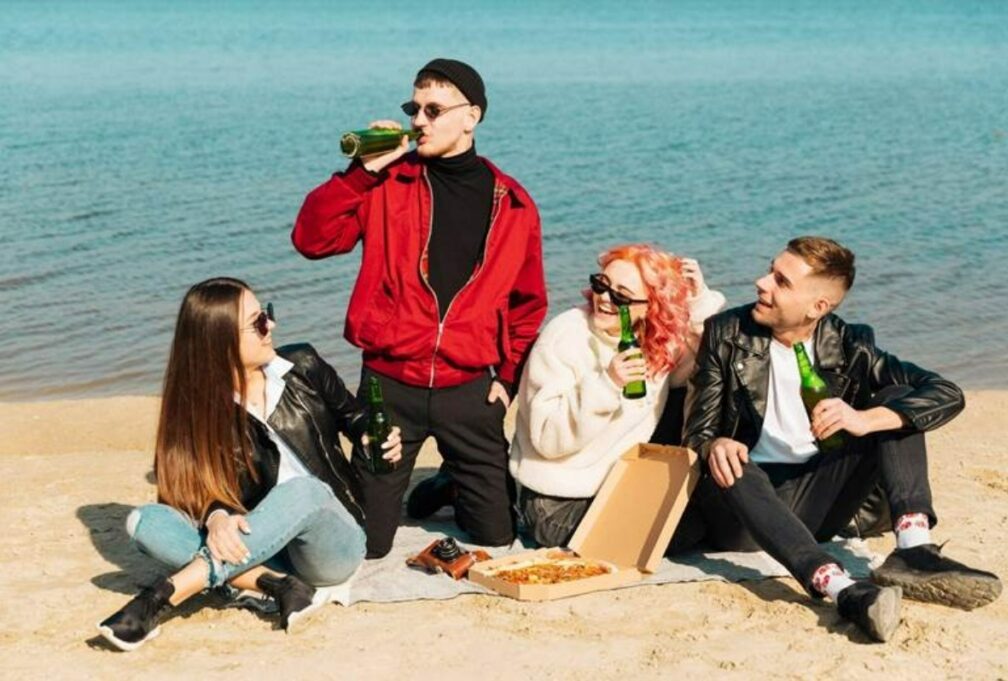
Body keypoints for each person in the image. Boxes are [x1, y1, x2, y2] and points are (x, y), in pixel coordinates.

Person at [680, 236, 1001, 643]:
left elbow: (946, 393)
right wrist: (714, 445)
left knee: (897, 404)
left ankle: (914, 550)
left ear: (818, 307)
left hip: (820, 501)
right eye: (770, 270)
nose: (762, 283)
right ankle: (843, 590)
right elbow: (696, 431)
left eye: (781, 281)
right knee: (733, 461)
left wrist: (866, 419)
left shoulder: (849, 344)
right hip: (745, 509)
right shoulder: (726, 334)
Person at [292, 58, 546, 557]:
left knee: (495, 536)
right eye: (414, 109)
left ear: (470, 116)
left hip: (470, 390)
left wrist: (509, 379)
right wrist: (360, 172)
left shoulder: (514, 204)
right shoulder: (386, 183)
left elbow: (528, 303)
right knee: (369, 544)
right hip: (391, 387)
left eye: (433, 109)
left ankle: (450, 481)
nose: (419, 121)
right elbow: (312, 240)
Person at [97, 278, 401, 651]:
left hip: (331, 543)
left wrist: (373, 436)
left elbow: (354, 418)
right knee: (143, 522)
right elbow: (192, 488)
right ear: (219, 342)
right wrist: (216, 517)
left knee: (303, 490)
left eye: (267, 315)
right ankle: (277, 585)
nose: (270, 326)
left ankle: (164, 595)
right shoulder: (201, 411)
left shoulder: (303, 365)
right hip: (264, 546)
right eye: (257, 322)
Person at [510, 244, 725, 547]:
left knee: (696, 527)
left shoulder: (650, 339)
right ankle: (472, 489)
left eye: (621, 296)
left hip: (615, 486)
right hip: (556, 502)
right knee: (681, 534)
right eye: (601, 285)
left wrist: (699, 300)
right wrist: (606, 385)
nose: (605, 299)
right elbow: (547, 440)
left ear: (652, 305)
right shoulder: (565, 335)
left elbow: (707, 360)